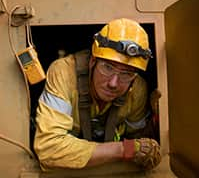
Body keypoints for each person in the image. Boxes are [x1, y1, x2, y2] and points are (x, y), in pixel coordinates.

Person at [34, 18, 161, 171]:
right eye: (107, 67)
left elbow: (139, 138)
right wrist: (123, 149)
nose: (113, 83)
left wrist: (155, 121)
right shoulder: (64, 73)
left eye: (126, 73)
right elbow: (48, 148)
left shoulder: (137, 87)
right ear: (92, 62)